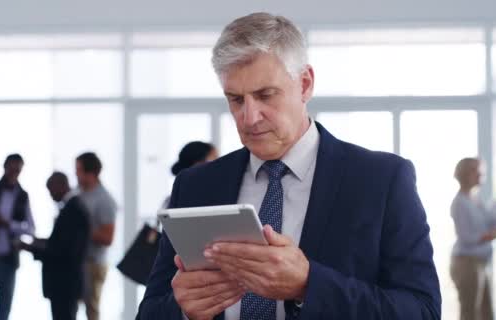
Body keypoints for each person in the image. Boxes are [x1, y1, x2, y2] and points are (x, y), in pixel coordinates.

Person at [138, 12, 441, 320]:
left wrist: (308, 285)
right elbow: (149, 313)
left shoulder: (381, 181)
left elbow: (422, 311)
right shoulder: (196, 185)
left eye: (265, 95)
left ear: (305, 84)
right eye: (236, 100)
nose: (249, 117)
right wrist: (183, 310)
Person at [20, 172, 90, 320]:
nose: (50, 195)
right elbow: (61, 243)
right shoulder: (71, 208)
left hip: (64, 283)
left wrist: (32, 248)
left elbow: (63, 250)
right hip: (65, 282)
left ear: (61, 186)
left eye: (51, 190)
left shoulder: (73, 210)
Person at [0, 153, 35, 320]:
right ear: (5, 167)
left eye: (18, 169)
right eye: (12, 168)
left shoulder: (23, 196)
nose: (14, 172)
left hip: (9, 260)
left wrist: (8, 224)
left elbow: (31, 229)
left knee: (4, 308)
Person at [450, 158, 496, 320]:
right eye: (476, 170)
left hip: (480, 262)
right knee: (470, 313)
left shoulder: (475, 199)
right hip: (467, 263)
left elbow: (486, 223)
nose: (480, 174)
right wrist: (488, 236)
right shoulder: (459, 203)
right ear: (466, 173)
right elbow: (466, 236)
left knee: (486, 312)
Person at [76, 152, 118, 320]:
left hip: (93, 264)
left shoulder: (104, 200)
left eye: (78, 170)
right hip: (78, 261)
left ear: (90, 172)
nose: (76, 174)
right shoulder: (78, 194)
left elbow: (108, 238)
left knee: (91, 310)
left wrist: (79, 230)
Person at [161, 141, 218, 209]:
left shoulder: (171, 201)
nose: (218, 165)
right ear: (198, 164)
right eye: (215, 159)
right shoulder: (173, 202)